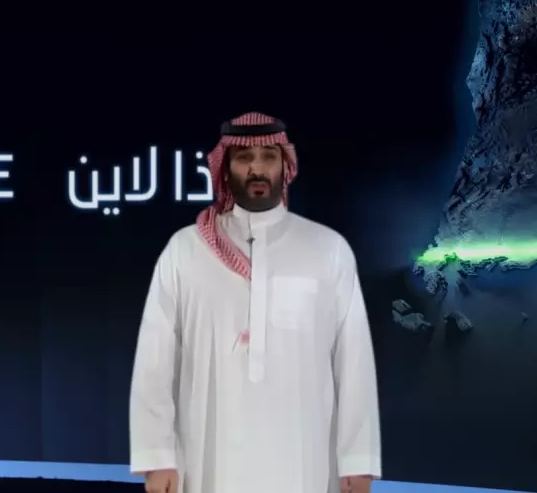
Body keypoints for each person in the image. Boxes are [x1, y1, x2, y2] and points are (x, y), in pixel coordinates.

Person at [129, 112, 381, 493]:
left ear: (286, 166)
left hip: (303, 464)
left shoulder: (328, 250)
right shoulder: (185, 251)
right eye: (244, 157)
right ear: (225, 168)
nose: (257, 169)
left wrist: (357, 461)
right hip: (206, 463)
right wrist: (157, 457)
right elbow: (156, 360)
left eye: (268, 157)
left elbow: (353, 361)